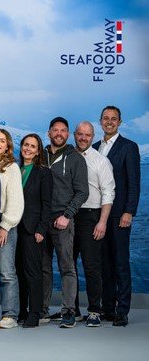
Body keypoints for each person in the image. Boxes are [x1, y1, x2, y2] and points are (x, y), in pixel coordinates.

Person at [93, 106, 140, 327]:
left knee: (120, 263)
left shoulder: (129, 148)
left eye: (114, 119)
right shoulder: (94, 148)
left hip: (120, 214)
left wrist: (129, 211)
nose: (109, 122)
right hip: (99, 216)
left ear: (120, 122)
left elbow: (134, 184)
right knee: (104, 264)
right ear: (100, 121)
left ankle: (122, 310)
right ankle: (108, 308)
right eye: (106, 118)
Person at [41, 117, 89, 328]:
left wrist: (67, 215)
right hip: (42, 222)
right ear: (49, 132)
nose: (59, 133)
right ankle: (42, 310)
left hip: (63, 221)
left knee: (67, 267)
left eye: (63, 130)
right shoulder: (39, 156)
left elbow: (82, 192)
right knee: (43, 268)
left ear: (67, 134)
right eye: (55, 130)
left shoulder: (75, 158)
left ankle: (69, 311)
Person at [72, 121, 115, 327]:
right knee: (68, 266)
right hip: (69, 217)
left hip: (91, 217)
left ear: (92, 136)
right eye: (80, 134)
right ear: (74, 135)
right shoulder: (68, 157)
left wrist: (102, 222)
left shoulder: (101, 161)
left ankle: (94, 311)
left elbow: (108, 193)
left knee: (91, 266)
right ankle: (72, 310)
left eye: (87, 135)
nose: (83, 138)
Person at [0, 129, 24, 329]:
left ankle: (10, 314)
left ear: (8, 146)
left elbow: (16, 201)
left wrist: (5, 226)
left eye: (2, 141)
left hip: (3, 222)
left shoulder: (12, 168)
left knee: (6, 271)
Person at [15, 134, 52, 328]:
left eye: (32, 146)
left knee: (33, 272)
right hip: (15, 227)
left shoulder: (43, 173)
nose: (28, 149)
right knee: (18, 271)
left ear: (38, 151)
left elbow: (47, 204)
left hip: (32, 229)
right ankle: (22, 310)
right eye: (25, 145)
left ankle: (35, 312)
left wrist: (41, 229)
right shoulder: (15, 169)